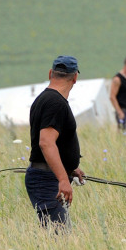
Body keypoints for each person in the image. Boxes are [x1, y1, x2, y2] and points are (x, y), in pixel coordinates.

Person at [26, 56, 85, 229]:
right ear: (75, 77)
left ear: (51, 73)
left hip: (46, 175)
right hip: (46, 179)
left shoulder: (44, 98)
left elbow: (52, 142)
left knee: (57, 234)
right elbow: (46, 143)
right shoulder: (55, 103)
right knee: (59, 236)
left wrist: (69, 168)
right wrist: (63, 179)